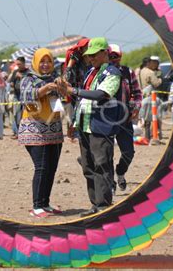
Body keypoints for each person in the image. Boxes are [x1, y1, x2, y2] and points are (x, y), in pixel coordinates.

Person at [64, 37, 122, 217]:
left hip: (101, 126)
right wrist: (74, 122)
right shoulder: (91, 72)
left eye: (95, 54)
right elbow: (82, 100)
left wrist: (74, 91)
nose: (91, 58)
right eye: (89, 55)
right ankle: (95, 205)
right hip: (85, 126)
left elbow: (101, 94)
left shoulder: (112, 72)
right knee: (88, 167)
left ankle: (104, 206)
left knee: (102, 165)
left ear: (105, 52)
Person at [19, 48, 64, 218]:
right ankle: (37, 206)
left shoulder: (55, 78)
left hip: (54, 129)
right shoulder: (28, 79)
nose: (45, 65)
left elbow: (66, 97)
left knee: (51, 168)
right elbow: (25, 96)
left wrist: (62, 87)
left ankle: (45, 203)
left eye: (48, 61)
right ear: (36, 63)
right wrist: (44, 89)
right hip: (34, 129)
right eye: (42, 62)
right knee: (41, 167)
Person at [108, 44, 142, 192]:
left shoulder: (128, 72)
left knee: (128, 152)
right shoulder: (101, 73)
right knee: (106, 154)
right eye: (110, 56)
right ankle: (110, 184)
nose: (113, 59)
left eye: (116, 56)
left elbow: (137, 93)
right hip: (106, 120)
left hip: (124, 119)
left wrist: (135, 108)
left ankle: (120, 172)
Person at [8, 57, 29, 139]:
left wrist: (22, 77)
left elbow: (30, 82)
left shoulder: (28, 72)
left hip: (26, 96)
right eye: (17, 64)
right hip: (17, 96)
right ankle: (17, 133)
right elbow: (11, 83)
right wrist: (13, 80)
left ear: (24, 63)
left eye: (19, 64)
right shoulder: (15, 72)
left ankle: (25, 132)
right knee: (16, 114)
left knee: (25, 115)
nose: (18, 66)